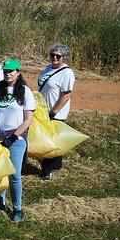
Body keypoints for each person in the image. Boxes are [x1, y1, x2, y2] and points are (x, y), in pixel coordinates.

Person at [0, 59, 36, 222]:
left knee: (14, 174)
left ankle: (17, 209)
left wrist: (13, 137)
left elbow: (28, 119)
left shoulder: (25, 91)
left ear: (18, 72)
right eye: (6, 71)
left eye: (12, 71)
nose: (8, 73)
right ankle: (1, 202)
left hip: (16, 138)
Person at [37, 43, 76, 181]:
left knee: (50, 142)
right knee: (55, 139)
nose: (54, 58)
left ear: (64, 58)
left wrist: (53, 112)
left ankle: (46, 171)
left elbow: (66, 95)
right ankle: (56, 165)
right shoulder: (48, 68)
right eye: (52, 55)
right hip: (44, 110)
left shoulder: (67, 73)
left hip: (55, 113)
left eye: (58, 56)